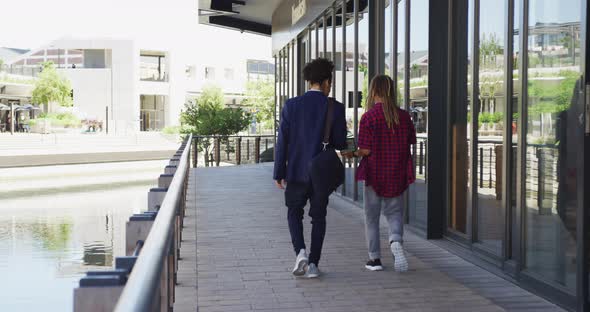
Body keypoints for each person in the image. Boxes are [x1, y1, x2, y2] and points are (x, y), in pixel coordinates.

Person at [274, 58, 347, 278]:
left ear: (309, 82)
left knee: (294, 213)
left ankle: (301, 253)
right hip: (321, 173)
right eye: (330, 82)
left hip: (296, 170)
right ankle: (314, 264)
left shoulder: (291, 105)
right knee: (318, 217)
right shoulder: (335, 107)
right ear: (326, 81)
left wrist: (279, 172)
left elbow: (282, 141)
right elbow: (341, 142)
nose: (330, 86)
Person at [344, 75, 416, 272]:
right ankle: (395, 241)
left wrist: (352, 153)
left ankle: (375, 260)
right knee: (395, 214)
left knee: (372, 217)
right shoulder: (404, 116)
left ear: (374, 92)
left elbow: (366, 150)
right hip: (397, 173)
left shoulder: (369, 117)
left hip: (375, 174)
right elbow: (410, 141)